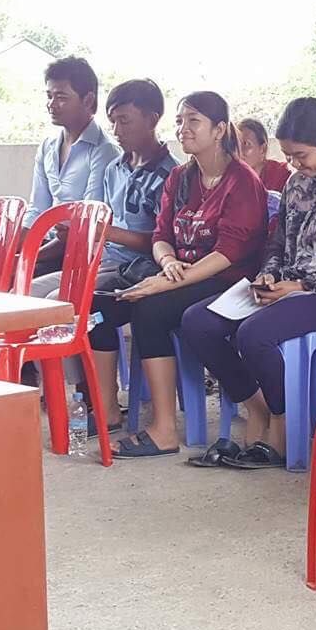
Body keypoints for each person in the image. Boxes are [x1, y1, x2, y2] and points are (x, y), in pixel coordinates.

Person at [179, 98, 316, 470]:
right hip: (287, 287)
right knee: (198, 322)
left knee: (254, 334)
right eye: (289, 156)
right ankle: (257, 405)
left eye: (301, 155)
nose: (295, 164)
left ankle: (283, 423)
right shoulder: (295, 183)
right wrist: (270, 275)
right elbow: (277, 242)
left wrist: (299, 285)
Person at [91, 91, 268, 458]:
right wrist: (168, 262)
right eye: (180, 121)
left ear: (219, 130)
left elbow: (228, 253)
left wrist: (164, 282)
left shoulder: (242, 181)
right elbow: (161, 236)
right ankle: (106, 408)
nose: (183, 129)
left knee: (150, 310)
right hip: (180, 273)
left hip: (227, 279)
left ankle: (164, 430)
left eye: (193, 121)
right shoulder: (180, 177)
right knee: (99, 302)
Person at [61, 78, 179, 433]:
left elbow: (164, 241)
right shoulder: (115, 169)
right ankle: (86, 394)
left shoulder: (170, 175)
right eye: (112, 121)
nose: (116, 130)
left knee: (82, 303)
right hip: (107, 259)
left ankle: (104, 404)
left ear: (152, 119)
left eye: (125, 120)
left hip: (143, 266)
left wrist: (107, 232)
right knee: (53, 301)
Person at [28, 56, 114, 229]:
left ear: (88, 100)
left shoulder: (104, 151)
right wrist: (19, 240)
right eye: (49, 96)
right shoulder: (47, 147)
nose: (51, 104)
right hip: (46, 238)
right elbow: (37, 208)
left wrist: (33, 246)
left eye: (61, 97)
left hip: (78, 243)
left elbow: (89, 222)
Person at [237, 117, 290, 190]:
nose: (239, 150)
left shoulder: (282, 175)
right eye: (236, 144)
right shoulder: (232, 177)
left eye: (246, 144)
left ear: (263, 149)